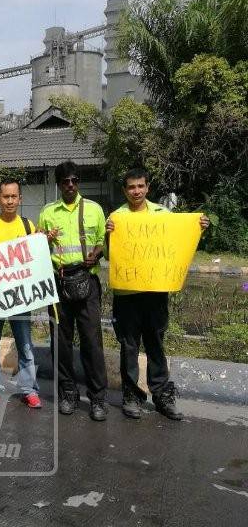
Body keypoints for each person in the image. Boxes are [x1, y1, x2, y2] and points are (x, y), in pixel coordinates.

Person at [105, 168, 210, 421]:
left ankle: (162, 395)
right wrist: (109, 235)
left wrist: (199, 229)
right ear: (124, 190)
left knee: (155, 344)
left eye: (140, 186)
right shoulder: (116, 218)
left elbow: (175, 245)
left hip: (156, 293)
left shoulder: (164, 215)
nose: (136, 191)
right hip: (127, 294)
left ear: (148, 187)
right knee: (129, 346)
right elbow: (110, 256)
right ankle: (132, 395)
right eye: (131, 187)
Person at [38, 160, 108, 421]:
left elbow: (102, 241)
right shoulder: (47, 213)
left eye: (74, 180)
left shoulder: (94, 209)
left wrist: (96, 253)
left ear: (79, 182)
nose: (70, 185)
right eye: (65, 181)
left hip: (87, 282)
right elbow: (38, 250)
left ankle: (97, 399)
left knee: (92, 342)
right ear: (58, 184)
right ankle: (68, 393)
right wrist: (43, 240)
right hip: (58, 283)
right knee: (61, 343)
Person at [0, 178, 41, 409]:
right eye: (6, 196)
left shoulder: (28, 226)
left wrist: (41, 241)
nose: (10, 201)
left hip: (21, 297)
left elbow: (35, 260)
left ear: (20, 199)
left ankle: (29, 390)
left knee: (25, 345)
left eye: (14, 196)